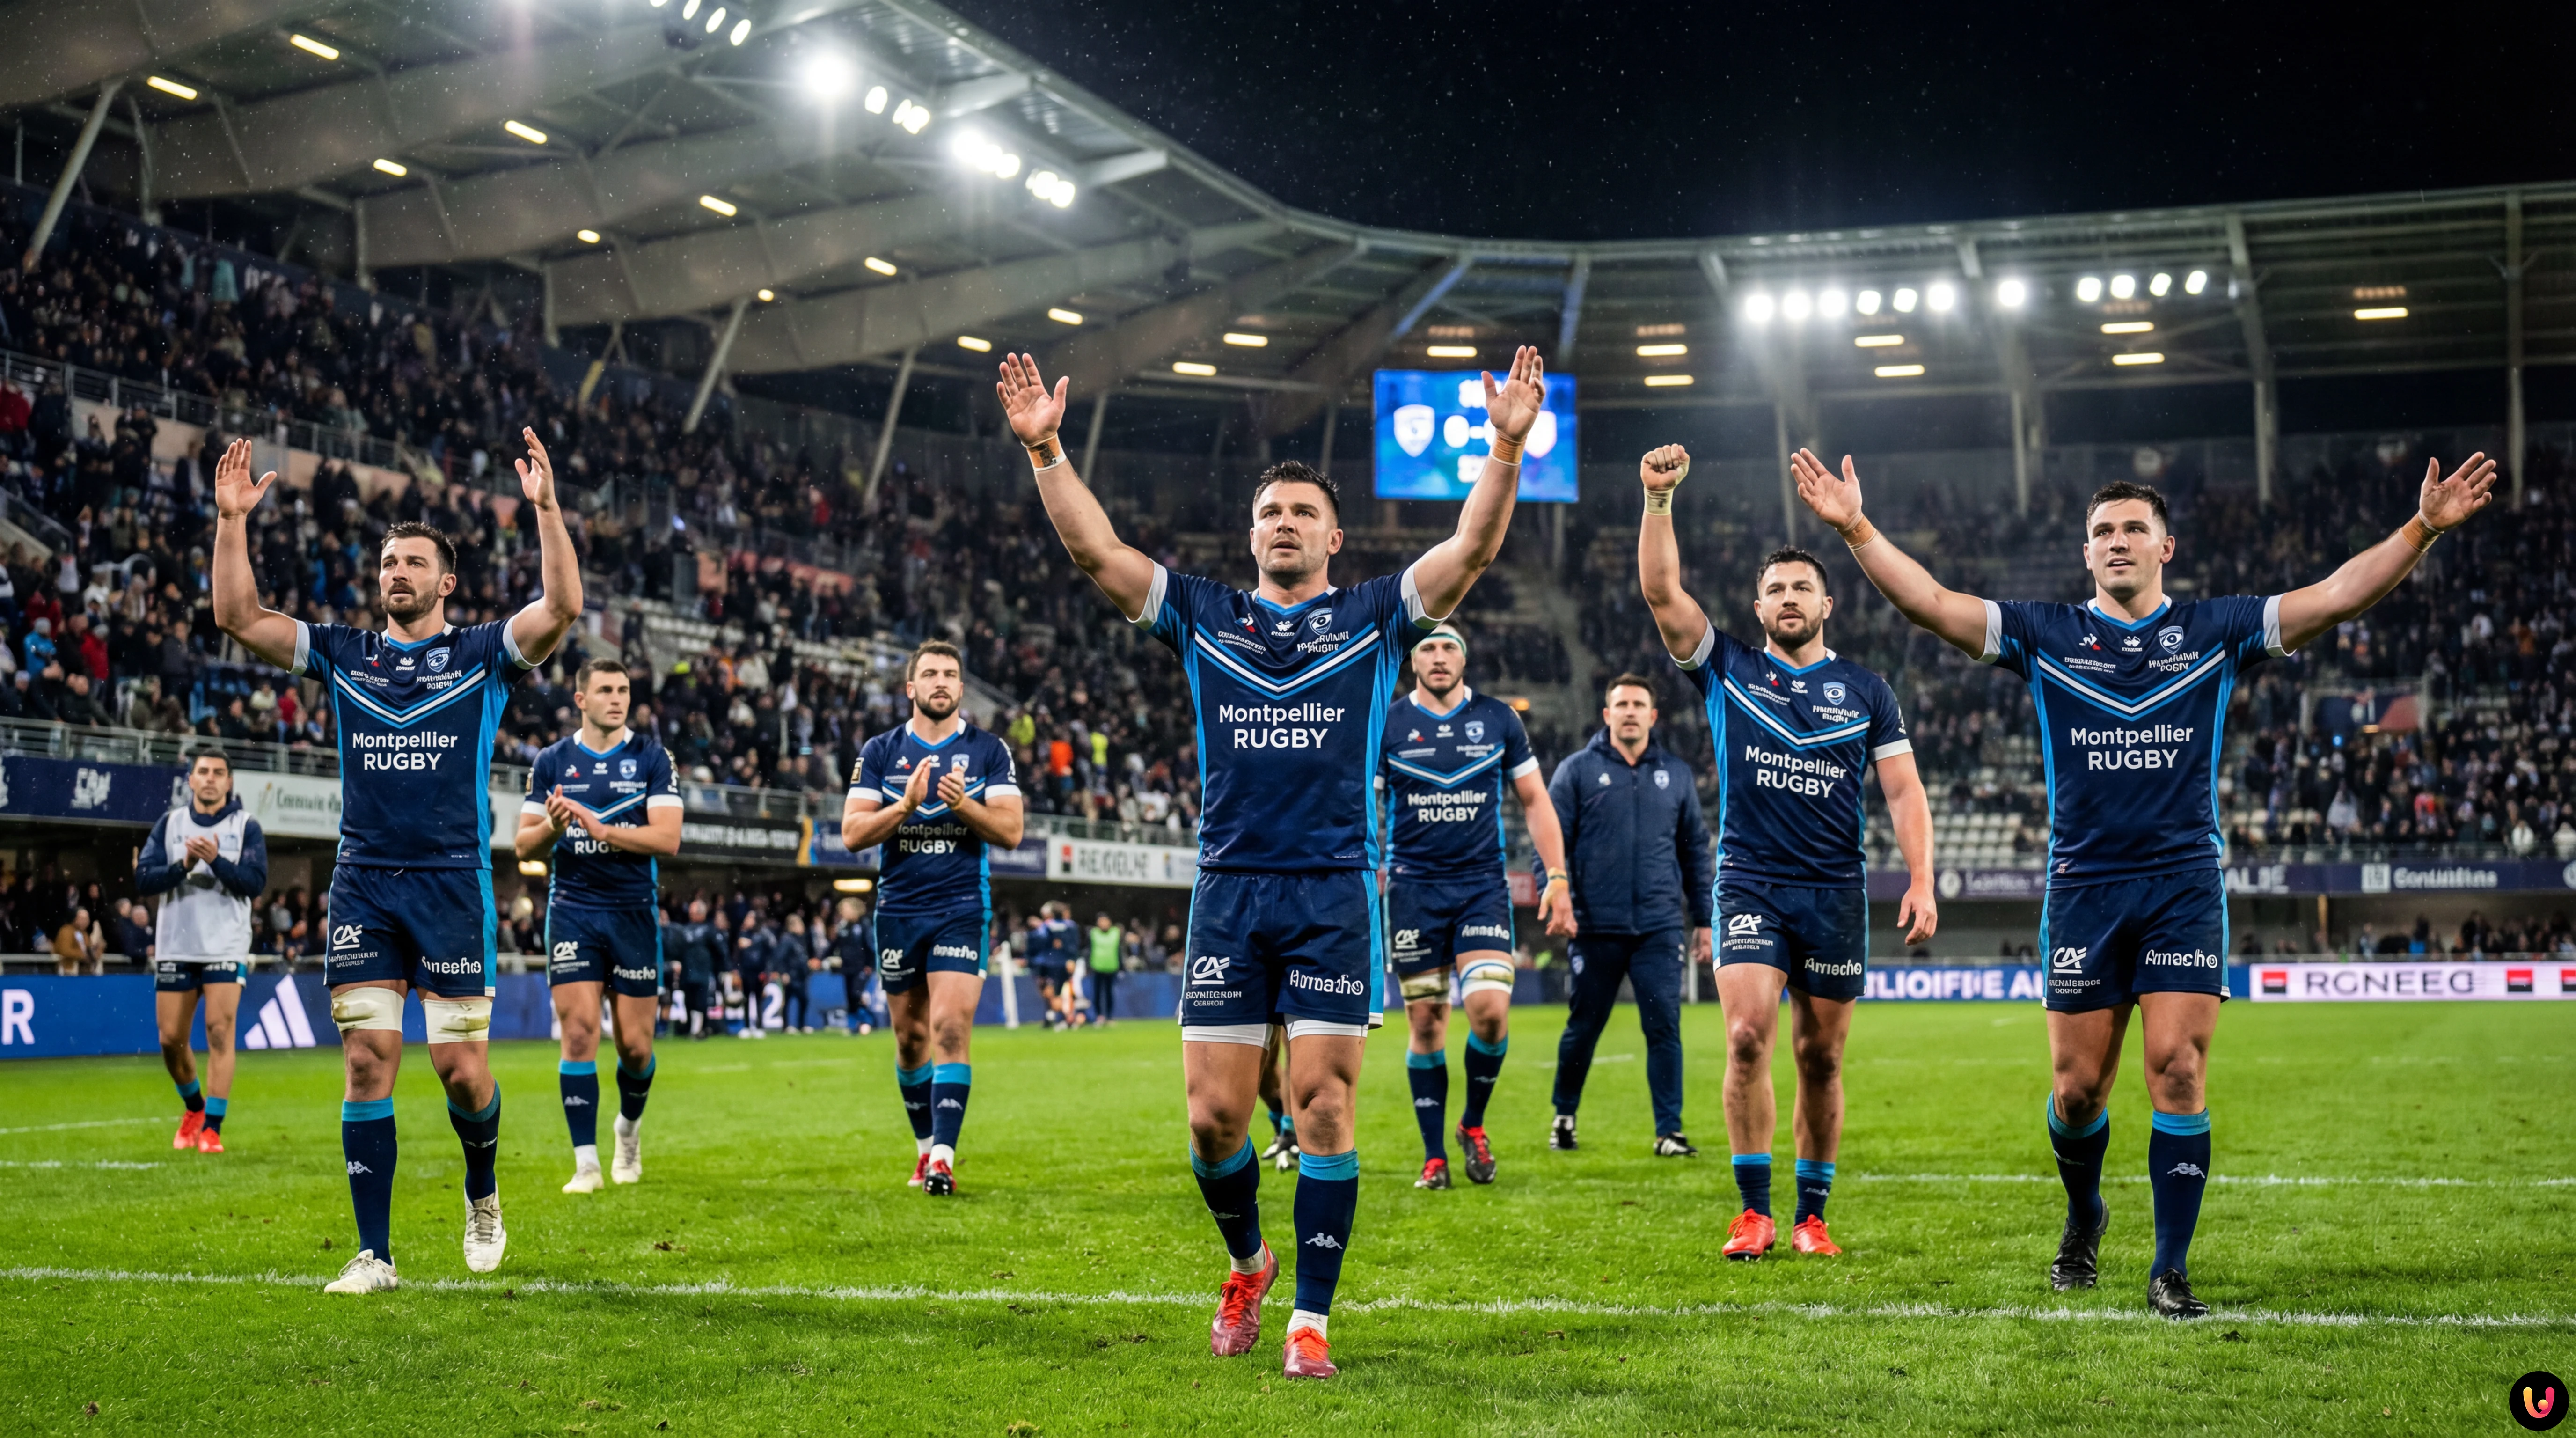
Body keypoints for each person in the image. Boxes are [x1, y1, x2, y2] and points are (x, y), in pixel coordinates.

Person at [1793, 445, 2497, 1319]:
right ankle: (2083, 1212)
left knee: (2176, 1068)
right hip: (2083, 887)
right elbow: (1930, 603)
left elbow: (2333, 594)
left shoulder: (2216, 630)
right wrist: (1855, 526)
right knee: (2075, 1091)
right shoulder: (2043, 635)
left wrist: (2421, 528)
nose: (2116, 540)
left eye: (2133, 528)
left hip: (2180, 883)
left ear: (2166, 547)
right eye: (2101, 532)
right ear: (2083, 554)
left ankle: (2168, 1268)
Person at [1004, 344, 1534, 1379]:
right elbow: (1097, 555)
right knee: (1213, 1121)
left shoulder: (1378, 617)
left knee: (1327, 1106)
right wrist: (1046, 453)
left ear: (1333, 535)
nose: (1283, 523)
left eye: (1301, 512)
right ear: (1250, 536)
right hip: (1230, 892)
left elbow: (1470, 551)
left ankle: (1311, 1322)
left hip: (1335, 890)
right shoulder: (1202, 614)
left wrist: (1506, 444)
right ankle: (1248, 1260)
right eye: (1269, 513)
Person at [211, 429, 581, 1296]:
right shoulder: (345, 654)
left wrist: (547, 509)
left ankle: (481, 1185)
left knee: (461, 1070)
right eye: (388, 564)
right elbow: (238, 618)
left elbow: (560, 608)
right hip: (365, 882)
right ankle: (374, 1254)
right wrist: (232, 524)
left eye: (414, 563)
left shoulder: (484, 655)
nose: (397, 575)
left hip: (452, 883)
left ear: (445, 581)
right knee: (369, 1061)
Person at [1633, 444, 1936, 1261]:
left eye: (1802, 586)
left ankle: (1811, 1214)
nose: (1788, 597)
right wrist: (1657, 502)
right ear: (1757, 605)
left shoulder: (1868, 691)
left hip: (1834, 890)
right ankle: (1753, 1210)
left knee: (1820, 1056)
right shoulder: (1726, 668)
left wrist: (1920, 877)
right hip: (1749, 882)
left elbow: (1903, 792)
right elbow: (1661, 592)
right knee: (1743, 1037)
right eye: (1774, 589)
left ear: (1827, 601)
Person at [1378, 623, 1573, 1190]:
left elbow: (1535, 800)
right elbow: (1362, 806)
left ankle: (1473, 1124)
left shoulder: (1497, 719)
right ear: (1412, 659)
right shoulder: (1387, 723)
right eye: (1427, 648)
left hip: (1481, 886)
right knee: (1426, 1021)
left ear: (1464, 659)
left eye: (1449, 648)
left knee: (1488, 1012)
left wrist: (1555, 877)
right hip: (1414, 890)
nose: (1438, 658)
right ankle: (1434, 1155)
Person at [839, 639, 1025, 1196]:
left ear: (961, 689)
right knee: (909, 1040)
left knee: (948, 1027)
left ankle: (942, 1158)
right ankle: (923, 1149)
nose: (940, 682)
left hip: (961, 907)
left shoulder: (989, 750)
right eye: (929, 674)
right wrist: (904, 806)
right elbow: (851, 834)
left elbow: (1011, 832)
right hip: (899, 910)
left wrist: (963, 803)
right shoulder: (880, 751)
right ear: (911, 688)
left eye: (949, 674)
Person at [515, 658, 683, 1194]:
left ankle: (627, 1132)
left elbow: (667, 840)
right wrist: (552, 826)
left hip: (632, 910)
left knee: (635, 1048)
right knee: (581, 1032)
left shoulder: (653, 757)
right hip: (573, 909)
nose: (617, 698)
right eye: (605, 690)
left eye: (624, 690)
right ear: (581, 700)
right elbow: (522, 847)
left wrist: (603, 830)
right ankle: (586, 1163)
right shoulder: (551, 762)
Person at [1543, 674, 1713, 1156]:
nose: (1630, 712)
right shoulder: (1575, 771)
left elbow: (1694, 854)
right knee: (1584, 1026)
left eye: (1639, 704)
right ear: (1606, 715)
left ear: (1653, 716)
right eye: (1621, 705)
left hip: (1659, 927)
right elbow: (1551, 843)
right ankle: (1563, 1116)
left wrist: (1702, 920)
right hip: (1594, 925)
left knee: (1664, 1028)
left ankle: (1668, 1131)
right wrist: (1558, 896)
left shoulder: (1676, 775)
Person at [134, 748, 268, 1155]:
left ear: (229, 783)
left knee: (219, 1031)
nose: (211, 779)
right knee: (170, 1039)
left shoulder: (246, 825)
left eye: (219, 773)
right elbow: (144, 879)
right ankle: (194, 1107)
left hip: (225, 945)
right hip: (178, 943)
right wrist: (184, 866)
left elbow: (255, 882)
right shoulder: (170, 823)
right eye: (203, 772)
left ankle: (213, 1127)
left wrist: (218, 861)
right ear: (190, 780)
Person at [670, 900, 722, 1040]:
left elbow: (720, 950)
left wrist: (724, 969)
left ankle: (702, 1028)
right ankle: (691, 1028)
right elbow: (677, 949)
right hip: (687, 972)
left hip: (703, 972)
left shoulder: (709, 930)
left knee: (702, 1002)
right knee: (689, 1001)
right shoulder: (684, 929)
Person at [1086, 911, 1124, 1025]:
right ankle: (1099, 1016)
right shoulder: (1093, 933)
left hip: (1111, 967)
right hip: (1097, 967)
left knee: (1109, 994)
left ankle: (1109, 1017)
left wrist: (1122, 967)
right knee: (1097, 993)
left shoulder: (1115, 933)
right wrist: (1088, 965)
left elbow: (1119, 951)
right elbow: (1089, 950)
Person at [52, 906, 103, 975]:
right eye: (82, 919)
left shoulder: (84, 934)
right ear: (74, 918)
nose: (85, 922)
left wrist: (96, 952)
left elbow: (89, 949)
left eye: (87, 919)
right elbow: (65, 950)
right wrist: (83, 956)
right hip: (68, 971)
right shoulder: (66, 931)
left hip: (82, 971)